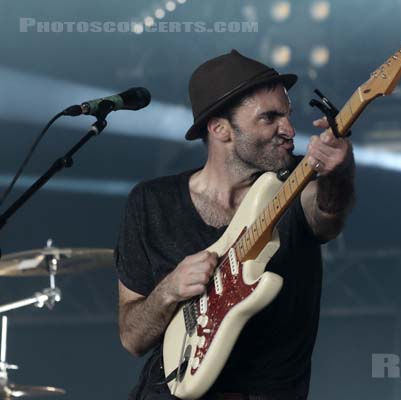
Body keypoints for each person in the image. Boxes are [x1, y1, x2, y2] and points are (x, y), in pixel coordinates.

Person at [114, 49, 355, 400]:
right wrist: (169, 290)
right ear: (220, 129)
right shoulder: (151, 202)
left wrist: (339, 171)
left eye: (287, 115)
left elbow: (328, 218)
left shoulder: (297, 181)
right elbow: (132, 338)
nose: (288, 130)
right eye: (269, 118)